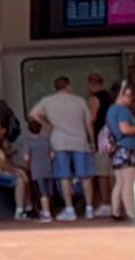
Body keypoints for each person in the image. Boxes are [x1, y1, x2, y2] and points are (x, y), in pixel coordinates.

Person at [31, 76, 96, 221]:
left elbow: (33, 114)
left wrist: (46, 124)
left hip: (59, 142)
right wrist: (92, 141)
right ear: (68, 86)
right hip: (79, 141)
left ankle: (69, 209)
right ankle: (89, 208)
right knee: (85, 176)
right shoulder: (79, 101)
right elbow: (89, 122)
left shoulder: (47, 101)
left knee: (64, 176)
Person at [99, 81, 135, 222]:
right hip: (127, 148)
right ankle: (131, 213)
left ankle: (116, 210)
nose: (131, 99)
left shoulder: (111, 110)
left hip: (117, 150)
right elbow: (125, 129)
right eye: (129, 96)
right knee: (128, 182)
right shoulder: (122, 110)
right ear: (121, 95)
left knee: (119, 182)